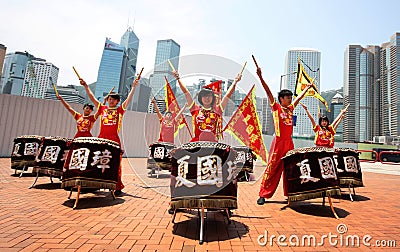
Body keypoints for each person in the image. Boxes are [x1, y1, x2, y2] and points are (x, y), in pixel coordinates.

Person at [256, 66, 313, 205]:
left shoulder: (291, 108)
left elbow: (299, 98)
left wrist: (307, 88)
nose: (290, 99)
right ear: (281, 99)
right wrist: (261, 77)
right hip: (278, 143)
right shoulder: (276, 107)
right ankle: (263, 194)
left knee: (291, 169)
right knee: (273, 168)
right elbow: (268, 91)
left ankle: (291, 194)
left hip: (289, 143)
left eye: (290, 98)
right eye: (288, 97)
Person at [80, 76, 140, 196]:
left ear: (117, 101)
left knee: (115, 163)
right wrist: (86, 86)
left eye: (114, 99)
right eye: (110, 99)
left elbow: (128, 99)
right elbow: (92, 98)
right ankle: (94, 184)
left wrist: (134, 86)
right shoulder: (102, 108)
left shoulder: (120, 110)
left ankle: (117, 186)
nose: (111, 101)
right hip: (101, 138)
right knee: (96, 161)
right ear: (107, 100)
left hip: (114, 139)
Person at [173, 70, 242, 142]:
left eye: (209, 96)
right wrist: (178, 79)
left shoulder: (218, 110)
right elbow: (186, 93)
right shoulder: (195, 109)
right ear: (201, 98)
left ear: (213, 98)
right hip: (197, 144)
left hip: (213, 144)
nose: (207, 98)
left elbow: (228, 95)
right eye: (205, 96)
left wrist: (235, 82)